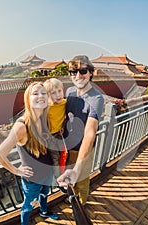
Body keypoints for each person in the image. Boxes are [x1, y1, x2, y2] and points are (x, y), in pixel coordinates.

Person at [0, 82, 58, 225]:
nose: (40, 96)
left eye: (43, 93)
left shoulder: (45, 118)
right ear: (27, 99)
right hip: (32, 180)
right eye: (35, 93)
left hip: (47, 172)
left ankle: (44, 211)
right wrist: (16, 171)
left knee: (44, 194)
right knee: (28, 206)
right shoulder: (21, 126)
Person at [57, 55, 104, 206]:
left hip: (83, 150)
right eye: (73, 71)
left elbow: (90, 133)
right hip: (67, 146)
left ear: (91, 72)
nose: (78, 75)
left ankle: (81, 204)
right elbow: (65, 113)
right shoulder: (70, 91)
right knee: (69, 177)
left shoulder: (96, 98)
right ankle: (73, 197)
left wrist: (78, 168)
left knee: (82, 181)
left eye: (83, 70)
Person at [43, 78, 67, 179]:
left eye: (59, 91)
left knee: (63, 154)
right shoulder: (47, 107)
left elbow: (67, 115)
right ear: (48, 95)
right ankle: (58, 178)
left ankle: (63, 173)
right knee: (55, 157)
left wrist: (64, 125)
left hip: (59, 134)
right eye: (53, 93)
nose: (58, 95)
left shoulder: (65, 103)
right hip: (49, 136)